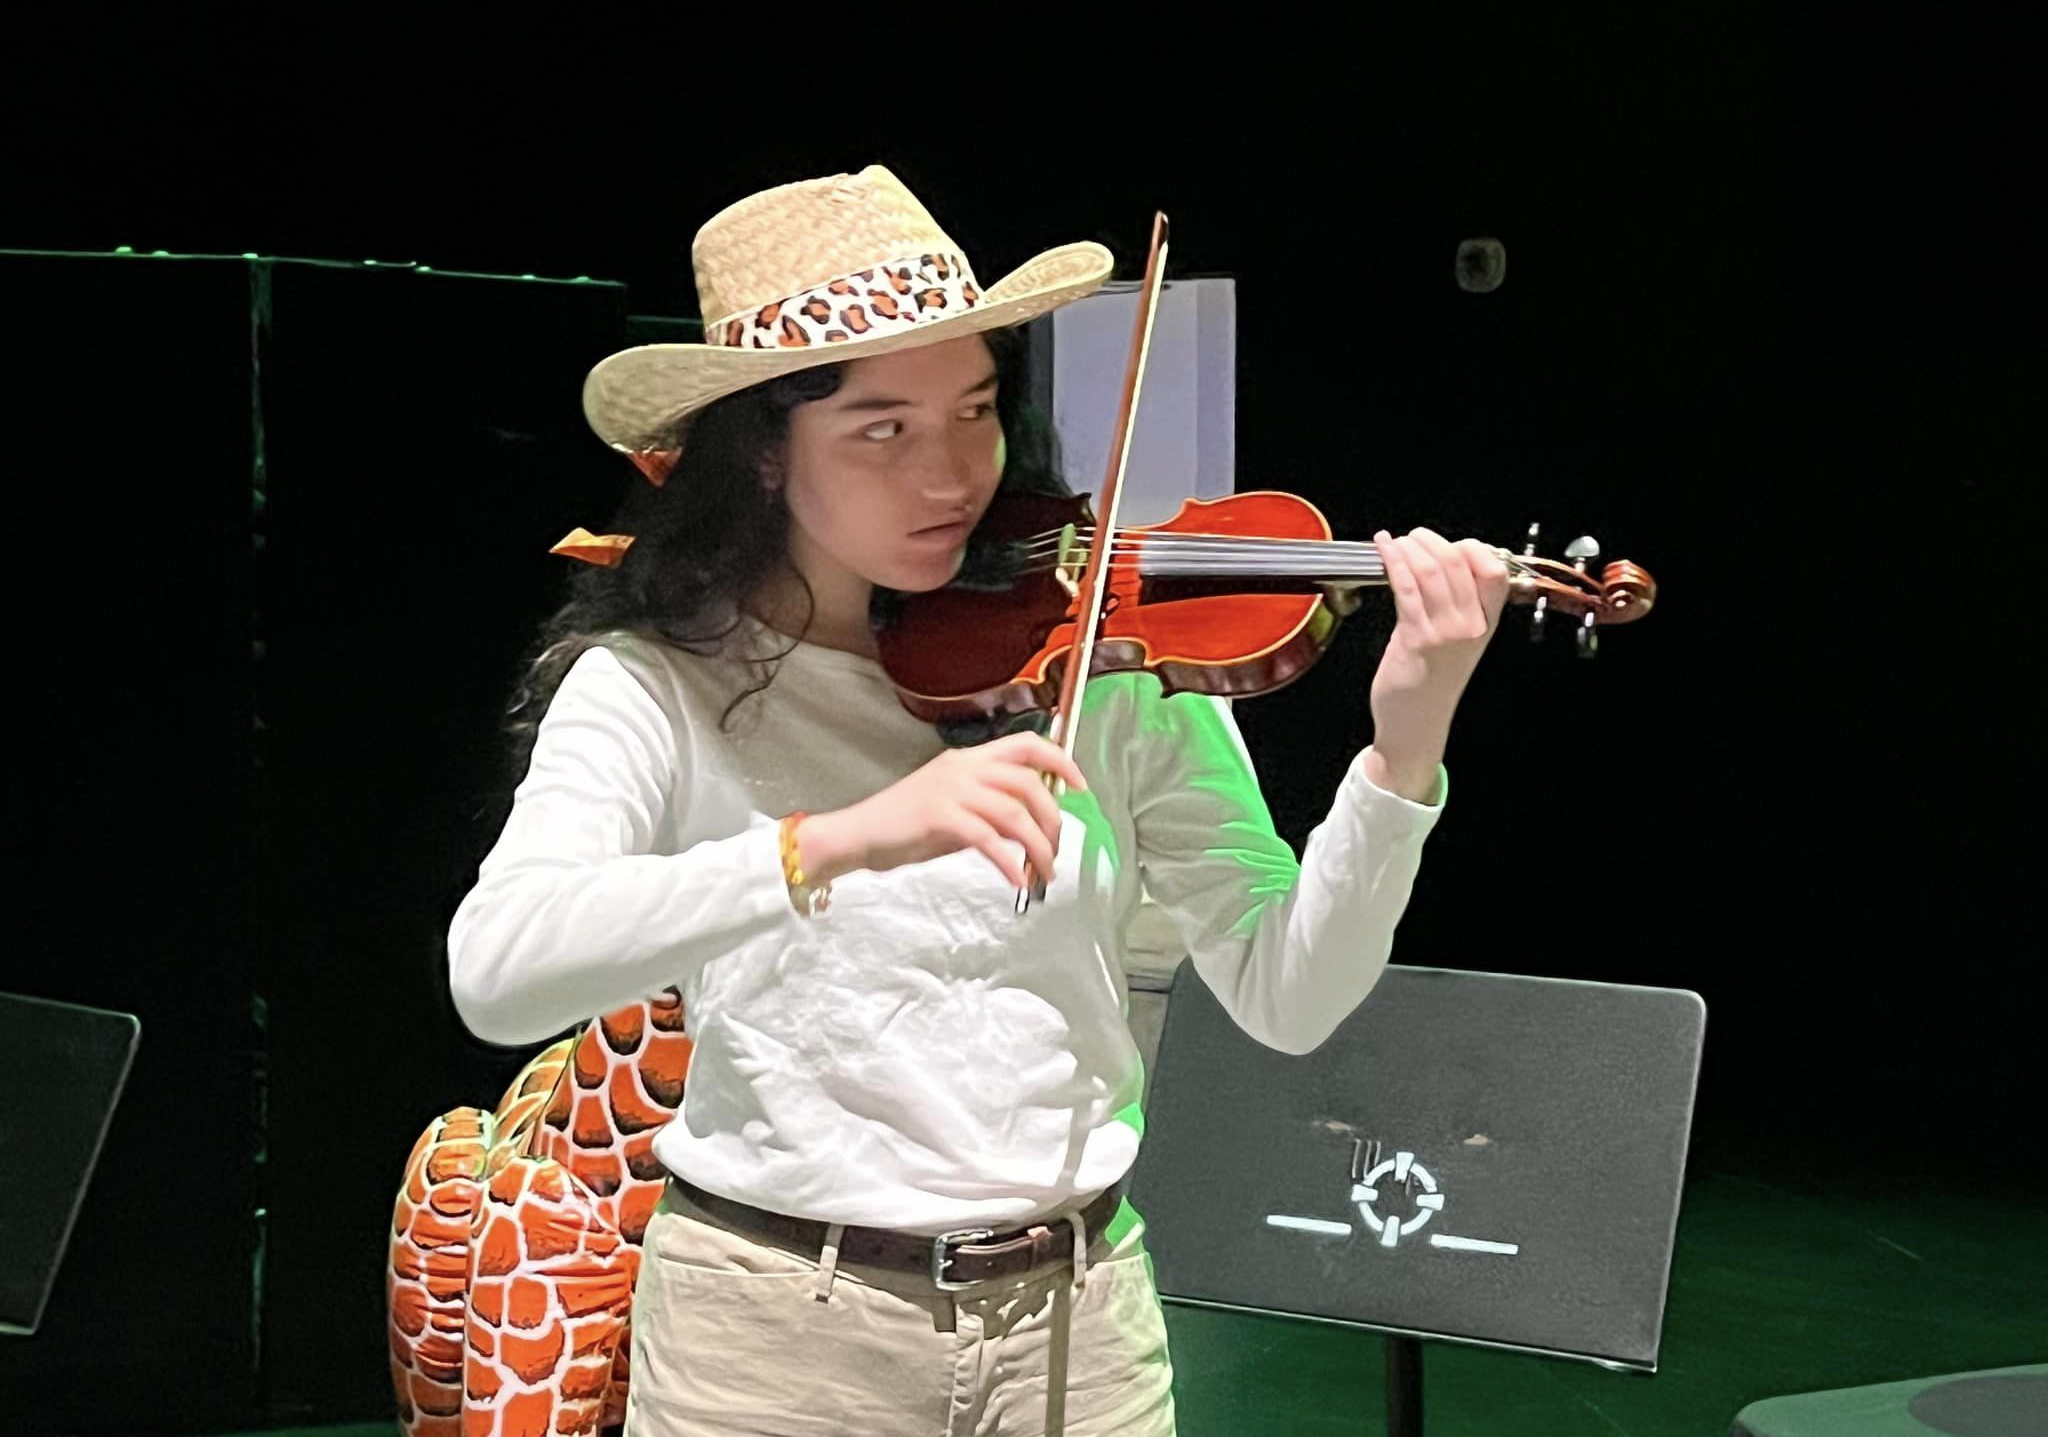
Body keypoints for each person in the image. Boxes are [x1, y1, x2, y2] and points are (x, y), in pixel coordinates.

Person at [446, 164, 1509, 1437]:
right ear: (766, 454)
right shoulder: (659, 685)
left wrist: (1402, 751)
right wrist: (846, 840)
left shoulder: (1094, 656)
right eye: (881, 429)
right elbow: (498, 975)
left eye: (975, 408)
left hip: (1078, 1332)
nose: (951, 473)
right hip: (774, 1343)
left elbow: (1291, 994)